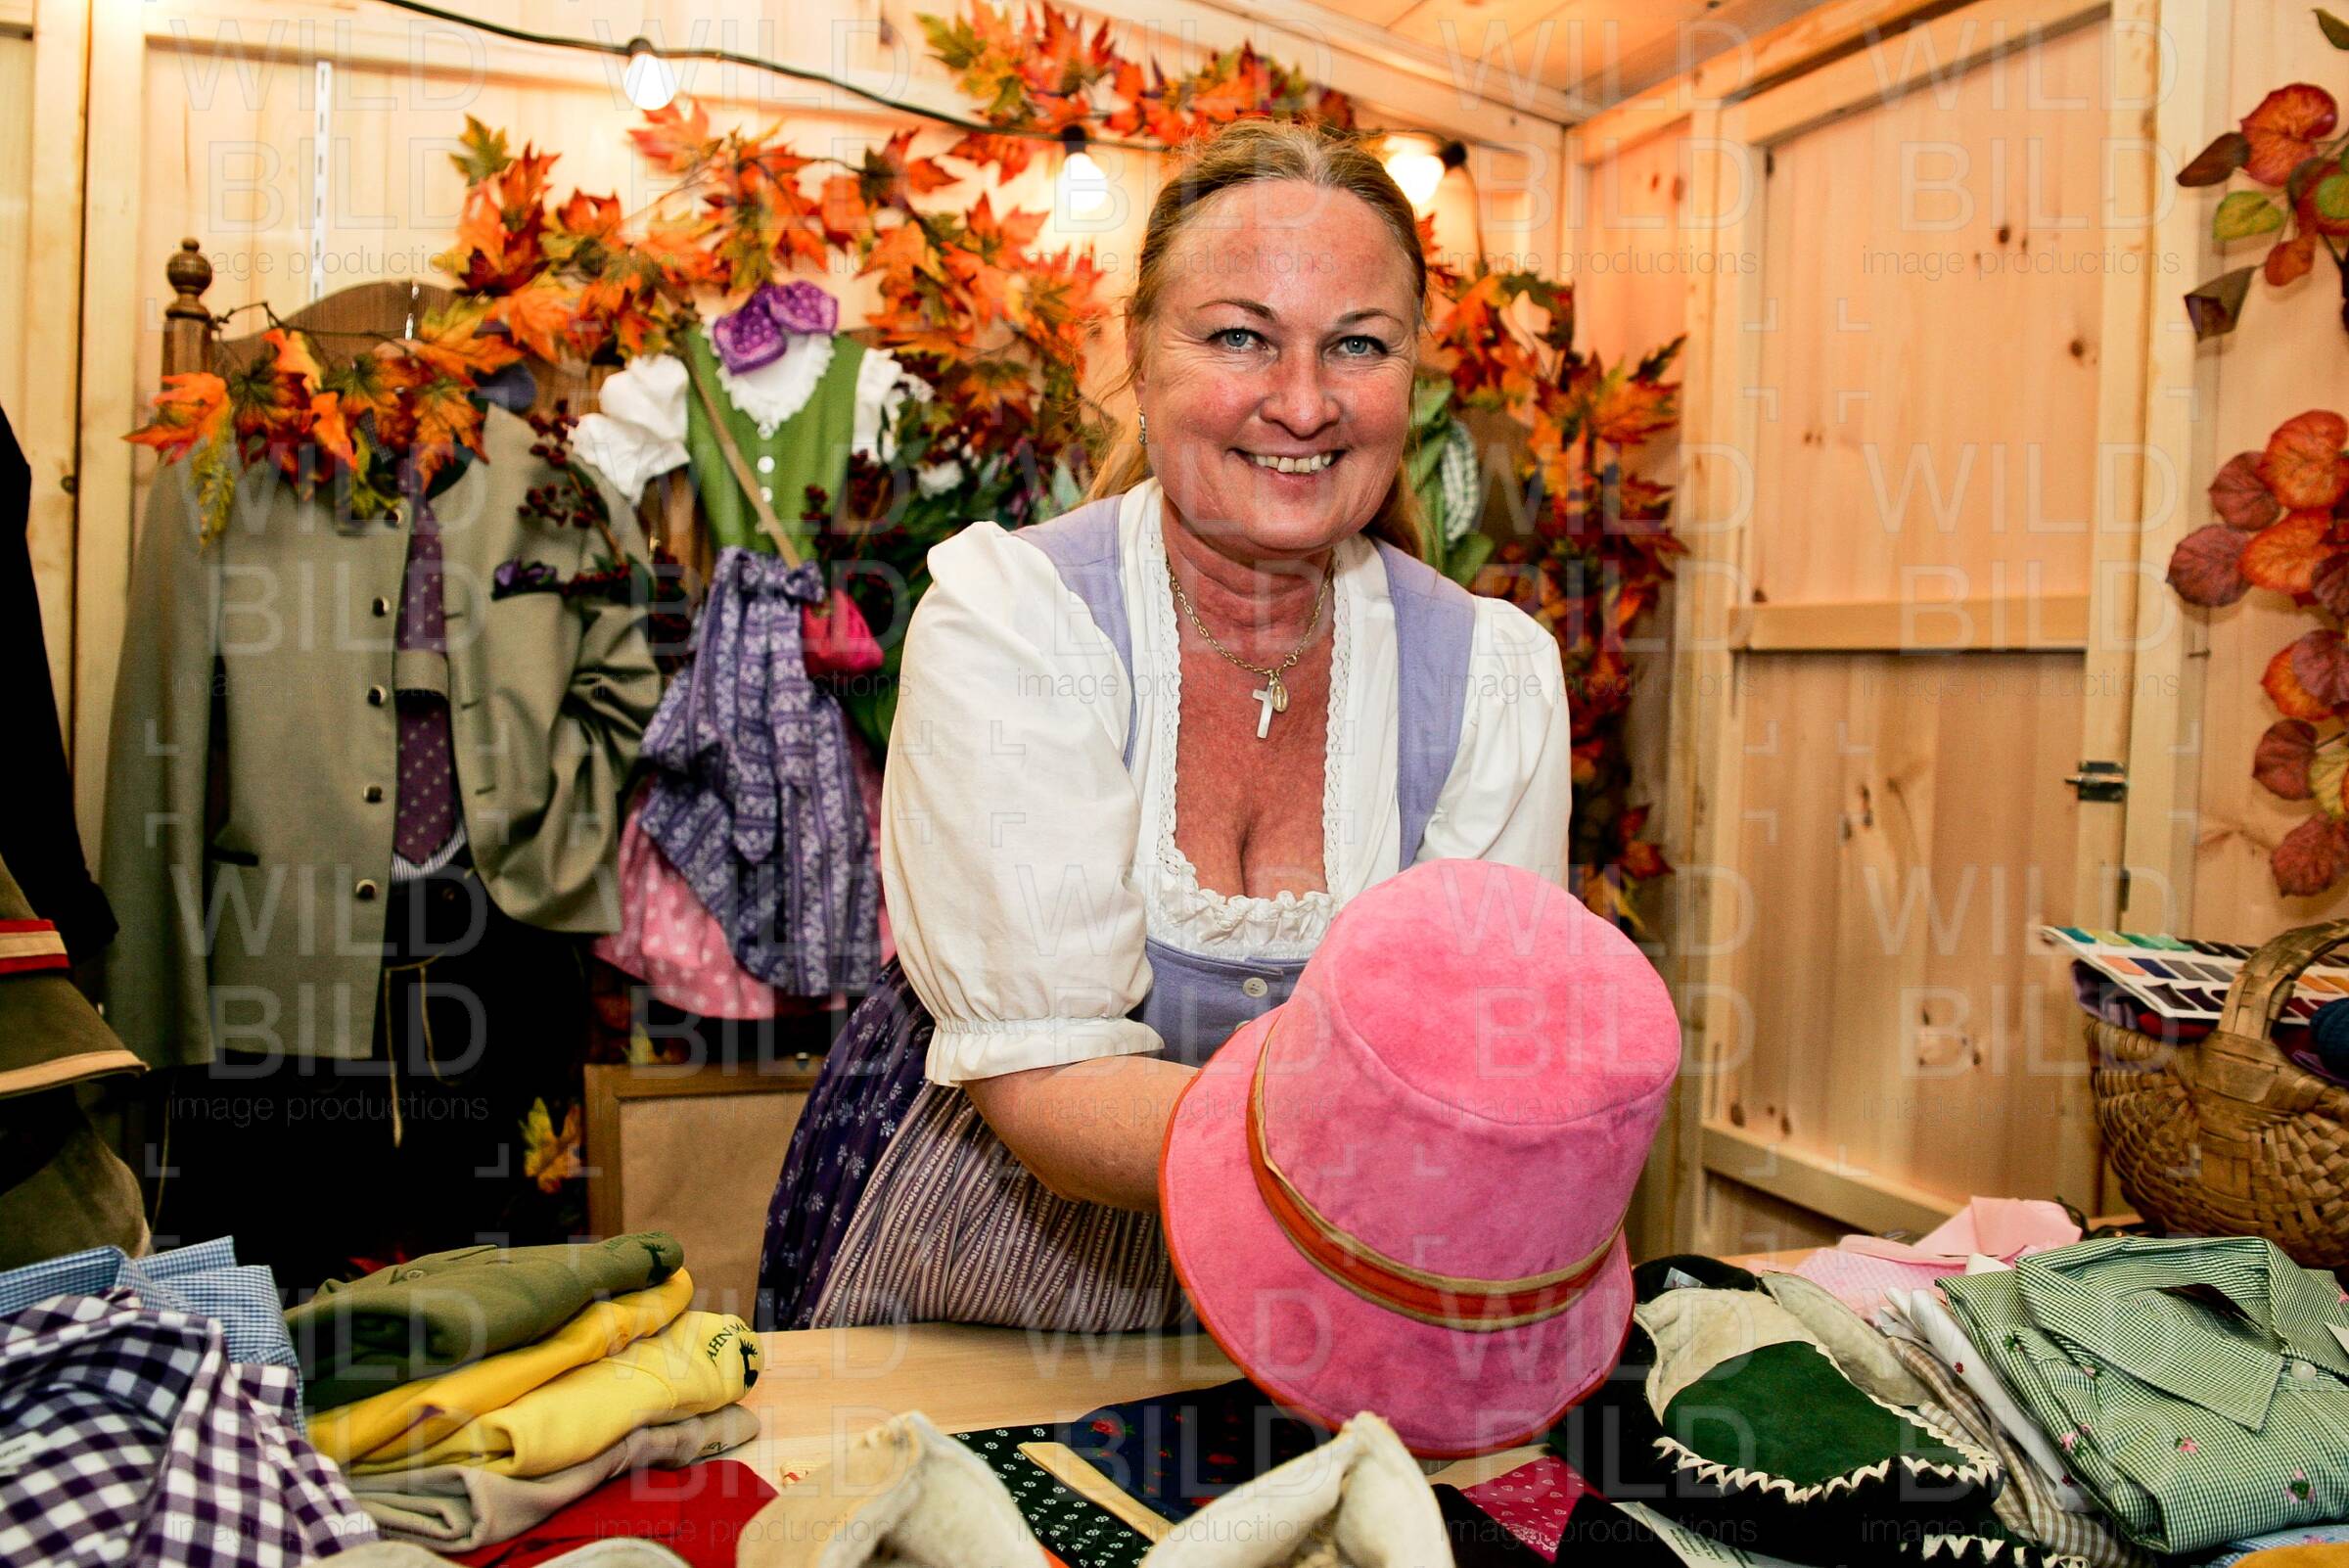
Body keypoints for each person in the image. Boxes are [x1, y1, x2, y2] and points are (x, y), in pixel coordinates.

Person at [755, 118, 1574, 1332]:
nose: (1304, 403)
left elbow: (1476, 1063)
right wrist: (1403, 1151)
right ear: (1140, 359)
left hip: (1334, 1295)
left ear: (1411, 379)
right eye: (1240, 336)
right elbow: (1050, 1092)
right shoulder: (1013, 620)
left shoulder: (1492, 674)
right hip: (985, 1256)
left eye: (1358, 344)